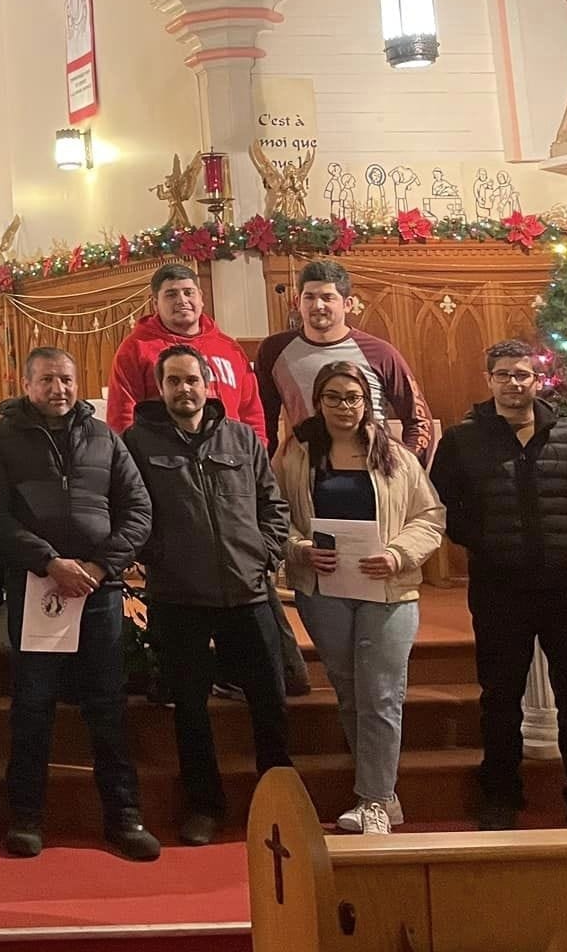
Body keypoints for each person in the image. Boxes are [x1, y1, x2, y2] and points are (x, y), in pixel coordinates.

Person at [0, 347, 160, 862]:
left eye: (68, 379)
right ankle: (27, 818)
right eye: (48, 379)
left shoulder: (104, 437)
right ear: (27, 385)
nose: (59, 388)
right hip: (38, 589)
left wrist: (99, 568)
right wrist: (50, 563)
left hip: (99, 592)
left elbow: (138, 509)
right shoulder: (1, 440)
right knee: (32, 708)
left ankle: (124, 817)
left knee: (107, 705)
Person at [431, 341, 567, 829]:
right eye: (504, 374)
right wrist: (484, 542)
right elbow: (444, 507)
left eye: (523, 374)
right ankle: (501, 797)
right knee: (500, 697)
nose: (514, 383)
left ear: (538, 380)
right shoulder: (463, 440)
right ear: (488, 380)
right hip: (499, 589)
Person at [123, 345, 292, 846]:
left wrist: (265, 553)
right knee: (191, 709)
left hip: (247, 590)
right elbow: (132, 510)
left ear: (208, 385)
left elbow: (272, 503)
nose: (184, 389)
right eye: (173, 381)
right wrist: (159, 557)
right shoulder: (137, 443)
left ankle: (278, 801)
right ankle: (204, 806)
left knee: (270, 700)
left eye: (192, 380)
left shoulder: (241, 438)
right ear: (161, 388)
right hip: (179, 597)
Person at [276, 361, 445, 835]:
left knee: (381, 694)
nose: (344, 407)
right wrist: (300, 548)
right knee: (351, 693)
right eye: (333, 397)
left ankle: (372, 801)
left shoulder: (396, 456)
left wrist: (397, 554)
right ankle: (383, 796)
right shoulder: (297, 454)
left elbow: (429, 517)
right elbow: (274, 514)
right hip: (324, 592)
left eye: (352, 397)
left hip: (388, 591)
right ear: (319, 401)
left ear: (367, 401)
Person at [257, 260, 423, 456]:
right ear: (297, 302)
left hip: (372, 468)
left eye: (328, 297)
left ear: (348, 304)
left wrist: (406, 473)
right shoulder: (273, 351)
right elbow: (262, 420)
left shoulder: (381, 353)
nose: (318, 305)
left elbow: (419, 422)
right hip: (306, 473)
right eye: (309, 297)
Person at [106, 264, 267, 438]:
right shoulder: (135, 349)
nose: (182, 301)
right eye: (171, 294)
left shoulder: (229, 348)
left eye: (189, 292)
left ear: (201, 297)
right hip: (164, 458)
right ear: (155, 303)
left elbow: (251, 412)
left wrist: (256, 454)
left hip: (230, 455)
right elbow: (122, 418)